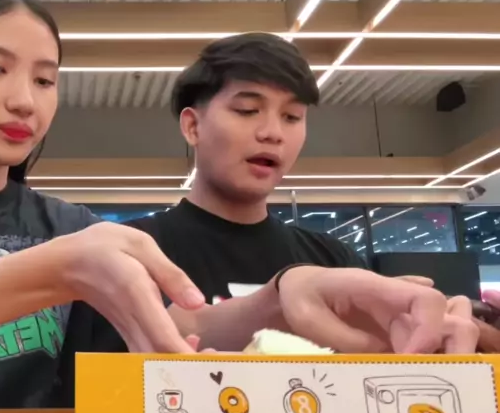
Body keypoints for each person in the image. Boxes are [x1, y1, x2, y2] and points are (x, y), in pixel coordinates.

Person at [0, 0, 476, 412]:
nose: (24, 99)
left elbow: (172, 328)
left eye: (45, 80)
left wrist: (284, 298)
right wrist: (54, 271)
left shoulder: (64, 225)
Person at [66, 33, 479, 357]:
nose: (272, 132)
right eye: (247, 110)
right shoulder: (131, 254)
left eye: (292, 116)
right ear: (192, 127)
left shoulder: (334, 261)